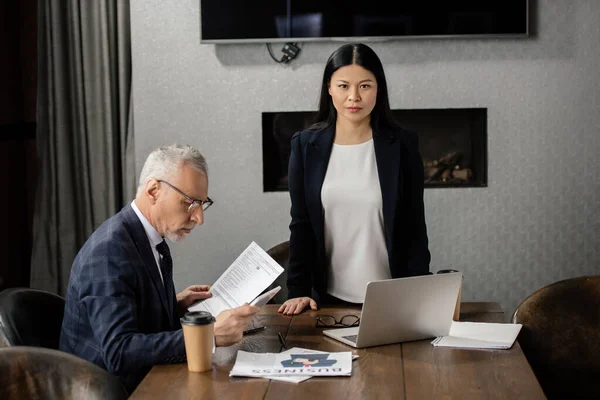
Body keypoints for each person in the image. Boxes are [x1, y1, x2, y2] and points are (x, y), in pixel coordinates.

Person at [60, 144, 259, 393]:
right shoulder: (109, 252)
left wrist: (173, 305)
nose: (199, 217)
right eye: (189, 202)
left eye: (202, 204)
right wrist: (208, 336)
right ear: (153, 190)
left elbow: (130, 319)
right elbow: (119, 352)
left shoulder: (147, 239)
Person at [278, 43, 431, 315]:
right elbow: (301, 224)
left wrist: (418, 292)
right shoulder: (305, 146)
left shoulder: (403, 145)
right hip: (326, 300)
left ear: (378, 89)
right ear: (329, 88)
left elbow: (414, 226)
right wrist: (298, 291)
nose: (354, 97)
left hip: (391, 298)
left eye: (365, 86)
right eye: (343, 86)